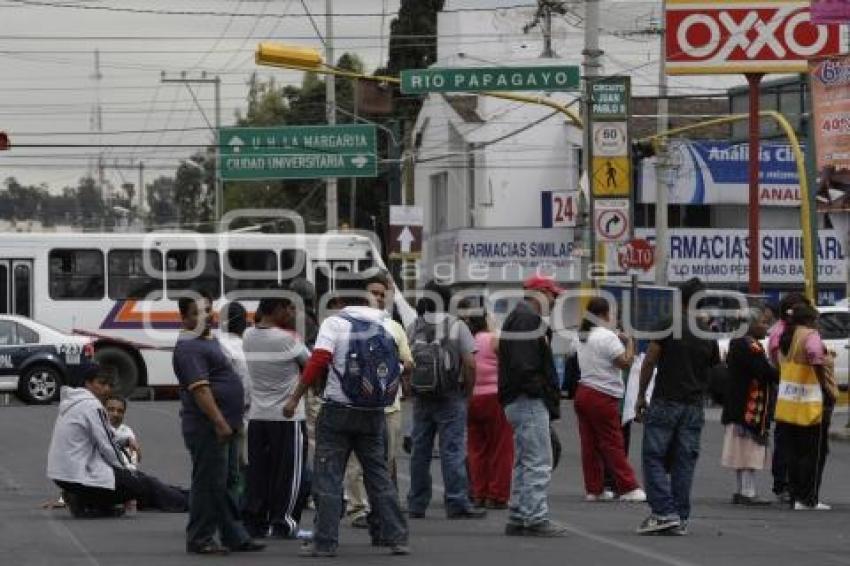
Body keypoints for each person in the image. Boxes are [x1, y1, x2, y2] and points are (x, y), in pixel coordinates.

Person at [283, 275, 409, 558]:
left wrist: (295, 397)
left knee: (329, 476)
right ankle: (396, 537)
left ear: (338, 300)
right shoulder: (384, 323)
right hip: (374, 411)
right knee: (378, 475)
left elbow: (318, 360)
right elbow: (401, 365)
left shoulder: (335, 323)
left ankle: (325, 541)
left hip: (338, 410)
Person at [172, 292, 265, 556]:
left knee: (227, 482)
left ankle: (234, 535)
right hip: (210, 428)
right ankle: (200, 538)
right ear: (184, 317)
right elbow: (201, 391)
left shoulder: (207, 341)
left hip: (229, 424)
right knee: (209, 483)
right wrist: (220, 422)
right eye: (198, 313)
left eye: (209, 310)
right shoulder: (190, 347)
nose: (207, 316)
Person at [634, 277, 720, 536]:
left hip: (666, 401)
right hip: (693, 406)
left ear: (679, 298)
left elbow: (650, 360)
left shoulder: (669, 323)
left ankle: (663, 512)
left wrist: (640, 395)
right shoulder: (707, 332)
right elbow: (713, 369)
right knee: (684, 461)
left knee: (654, 456)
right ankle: (679, 516)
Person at [47, 364, 188, 518]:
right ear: (87, 383)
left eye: (109, 385)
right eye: (101, 383)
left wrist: (125, 440)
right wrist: (127, 472)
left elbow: (101, 436)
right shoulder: (91, 405)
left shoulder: (72, 403)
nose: (106, 389)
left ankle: (93, 503)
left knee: (143, 482)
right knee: (140, 485)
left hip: (62, 474)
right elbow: (107, 445)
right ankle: (188, 502)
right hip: (78, 475)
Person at [407, 281, 485, 520]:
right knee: (452, 450)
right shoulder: (457, 325)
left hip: (422, 397)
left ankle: (417, 503)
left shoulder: (414, 326)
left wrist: (410, 390)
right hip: (451, 396)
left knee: (420, 451)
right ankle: (456, 502)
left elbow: (406, 362)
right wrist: (468, 394)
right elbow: (471, 364)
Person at [498, 275, 567, 537]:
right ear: (540, 293)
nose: (556, 300)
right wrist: (542, 392)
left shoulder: (519, 317)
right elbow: (525, 365)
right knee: (538, 460)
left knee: (526, 460)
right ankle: (535, 516)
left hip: (518, 398)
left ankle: (519, 514)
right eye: (553, 295)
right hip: (527, 398)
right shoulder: (528, 319)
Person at [344, 273, 413, 529]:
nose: (378, 297)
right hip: (357, 405)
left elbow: (408, 362)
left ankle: (381, 509)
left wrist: (392, 368)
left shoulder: (394, 327)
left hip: (389, 406)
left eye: (382, 294)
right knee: (356, 461)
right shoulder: (348, 324)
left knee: (387, 460)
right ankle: (357, 508)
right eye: (374, 293)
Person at [241, 294, 311, 539]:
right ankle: (284, 522)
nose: (292, 314)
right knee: (290, 475)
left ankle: (256, 522)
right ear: (278, 310)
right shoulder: (287, 340)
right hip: (287, 417)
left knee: (259, 472)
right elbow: (312, 365)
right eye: (289, 309)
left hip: (258, 416)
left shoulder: (248, 336)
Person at [575, 297, 646, 503]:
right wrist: (630, 343)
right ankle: (629, 487)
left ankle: (594, 489)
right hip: (603, 394)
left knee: (590, 445)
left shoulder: (582, 335)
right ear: (604, 314)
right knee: (613, 442)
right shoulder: (607, 336)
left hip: (584, 391)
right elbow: (625, 363)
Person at [775, 303, 836, 511]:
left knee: (794, 451)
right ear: (810, 320)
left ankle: (795, 496)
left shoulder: (787, 336)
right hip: (811, 401)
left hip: (791, 401)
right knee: (814, 452)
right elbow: (814, 355)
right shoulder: (810, 335)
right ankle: (808, 498)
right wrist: (824, 385)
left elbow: (777, 359)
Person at [721, 308, 778, 506]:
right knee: (748, 450)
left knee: (740, 450)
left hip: (737, 405)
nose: (766, 327)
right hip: (748, 407)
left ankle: (741, 490)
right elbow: (763, 372)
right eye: (763, 323)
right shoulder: (750, 346)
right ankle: (748, 491)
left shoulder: (737, 343)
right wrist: (778, 372)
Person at [461, 306, 513, 509]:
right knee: (501, 448)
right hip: (495, 398)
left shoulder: (466, 341)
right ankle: (498, 495)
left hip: (471, 399)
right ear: (486, 320)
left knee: (476, 449)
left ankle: (478, 492)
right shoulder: (493, 339)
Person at [767, 292, 810, 503]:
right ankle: (781, 484)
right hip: (787, 388)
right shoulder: (781, 333)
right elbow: (778, 362)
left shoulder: (796, 331)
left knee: (795, 439)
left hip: (797, 389)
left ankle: (792, 483)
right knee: (785, 437)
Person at [106, 396, 141, 469]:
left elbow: (136, 457)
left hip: (126, 472)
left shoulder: (127, 430)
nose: (115, 414)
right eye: (111, 410)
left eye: (120, 411)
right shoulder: (98, 428)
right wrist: (127, 440)